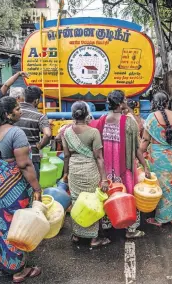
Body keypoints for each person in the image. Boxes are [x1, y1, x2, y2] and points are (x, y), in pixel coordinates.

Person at [0, 96, 42, 282]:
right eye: (16, 109)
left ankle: (4, 263)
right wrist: (37, 187)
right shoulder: (16, 133)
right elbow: (24, 165)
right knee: (18, 227)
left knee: (1, 226)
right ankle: (18, 270)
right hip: (14, 189)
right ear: (8, 114)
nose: (20, 110)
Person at [96, 91, 151, 238]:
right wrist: (145, 166)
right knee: (127, 194)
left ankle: (108, 223)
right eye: (125, 100)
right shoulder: (129, 122)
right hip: (124, 168)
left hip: (106, 170)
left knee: (108, 194)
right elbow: (136, 149)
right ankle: (130, 230)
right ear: (121, 104)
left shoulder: (101, 120)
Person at [62, 101, 110, 247]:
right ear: (87, 114)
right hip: (90, 170)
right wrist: (104, 179)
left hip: (74, 170)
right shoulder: (93, 132)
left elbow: (66, 155)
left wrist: (65, 173)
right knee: (92, 202)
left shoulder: (66, 132)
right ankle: (93, 238)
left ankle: (77, 234)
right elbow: (99, 158)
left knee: (77, 201)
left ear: (73, 115)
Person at [139, 91, 172, 226]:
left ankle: (160, 219)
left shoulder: (150, 118)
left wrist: (138, 155)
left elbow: (145, 140)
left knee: (160, 186)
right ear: (167, 103)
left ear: (154, 104)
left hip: (158, 158)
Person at [14, 86, 52, 178]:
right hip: (32, 156)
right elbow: (47, 134)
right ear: (36, 101)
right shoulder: (40, 116)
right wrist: (40, 145)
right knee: (33, 188)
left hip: (14, 155)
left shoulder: (14, 112)